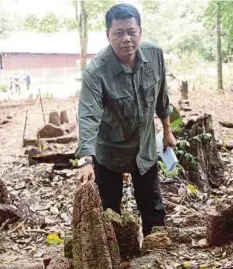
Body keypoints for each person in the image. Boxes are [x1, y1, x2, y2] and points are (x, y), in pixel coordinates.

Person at [75, 3, 176, 236]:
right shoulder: (96, 71)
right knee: (109, 209)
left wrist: (167, 131)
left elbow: (162, 95)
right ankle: (118, 252)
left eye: (132, 31)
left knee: (152, 204)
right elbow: (88, 115)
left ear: (140, 31)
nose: (126, 39)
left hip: (145, 146)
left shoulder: (155, 54)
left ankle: (155, 246)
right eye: (118, 33)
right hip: (110, 150)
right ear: (108, 35)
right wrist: (86, 160)